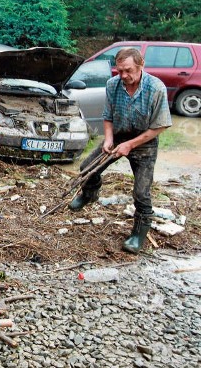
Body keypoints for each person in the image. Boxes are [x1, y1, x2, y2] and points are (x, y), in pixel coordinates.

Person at [69, 48, 172, 254]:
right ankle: (90, 194)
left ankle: (138, 235)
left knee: (141, 193)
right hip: (118, 136)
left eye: (128, 70)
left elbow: (160, 126)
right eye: (120, 71)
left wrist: (131, 145)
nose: (123, 76)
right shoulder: (112, 84)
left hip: (144, 142)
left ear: (141, 65)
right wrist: (108, 139)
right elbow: (108, 116)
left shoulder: (156, 88)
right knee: (86, 167)